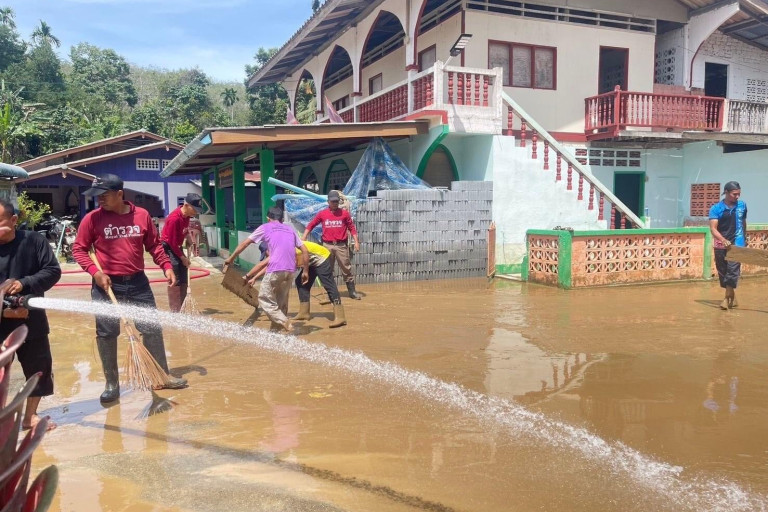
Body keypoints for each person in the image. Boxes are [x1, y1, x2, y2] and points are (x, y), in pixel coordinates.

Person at [72, 174, 187, 403]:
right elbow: (79, 249)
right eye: (96, 196)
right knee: (107, 333)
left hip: (137, 283)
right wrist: (96, 273)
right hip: (106, 285)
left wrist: (166, 266)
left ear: (119, 194)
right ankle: (111, 384)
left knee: (151, 328)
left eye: (104, 195)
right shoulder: (92, 219)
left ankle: (161, 376)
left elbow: (154, 245)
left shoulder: (141, 215)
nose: (99, 200)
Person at [0, 198, 61, 430]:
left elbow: (52, 271)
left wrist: (24, 283)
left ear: (14, 220)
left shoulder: (34, 241)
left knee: (38, 369)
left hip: (31, 320)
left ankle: (30, 416)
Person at [224, 207, 309, 332]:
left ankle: (284, 321)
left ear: (268, 218)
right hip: (291, 271)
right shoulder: (290, 230)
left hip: (275, 270)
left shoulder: (265, 227)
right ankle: (276, 333)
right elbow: (305, 250)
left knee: (264, 298)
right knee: (281, 303)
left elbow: (245, 243)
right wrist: (305, 271)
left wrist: (231, 258)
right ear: (281, 219)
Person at [245, 240, 346, 328]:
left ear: (270, 249)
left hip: (321, 257)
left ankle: (340, 316)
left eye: (266, 253)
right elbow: (269, 266)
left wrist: (248, 276)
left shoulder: (283, 250)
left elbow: (265, 265)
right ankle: (304, 312)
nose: (267, 256)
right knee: (300, 283)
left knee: (328, 284)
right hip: (311, 260)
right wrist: (254, 278)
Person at [302, 190, 362, 300]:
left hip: (341, 245)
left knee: (346, 268)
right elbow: (311, 224)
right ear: (328, 202)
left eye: (336, 201)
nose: (335, 203)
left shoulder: (344, 214)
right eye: (333, 201)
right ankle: (331, 294)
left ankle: (352, 292)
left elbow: (352, 228)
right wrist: (304, 236)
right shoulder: (323, 214)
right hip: (327, 246)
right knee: (327, 269)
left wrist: (356, 242)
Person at [161, 193, 203, 312]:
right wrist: (182, 257)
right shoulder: (174, 219)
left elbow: (185, 230)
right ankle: (175, 310)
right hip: (168, 247)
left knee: (184, 271)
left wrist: (189, 237)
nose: (196, 212)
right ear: (186, 205)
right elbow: (172, 242)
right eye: (194, 209)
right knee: (175, 275)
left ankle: (182, 305)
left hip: (176, 246)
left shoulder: (187, 216)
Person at [709, 180, 748, 310]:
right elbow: (713, 229)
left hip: (737, 244)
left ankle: (726, 299)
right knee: (723, 272)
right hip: (721, 244)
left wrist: (745, 238)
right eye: (734, 194)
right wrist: (723, 239)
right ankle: (732, 296)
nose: (737, 196)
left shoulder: (742, 205)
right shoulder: (716, 209)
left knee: (732, 271)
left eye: (739, 194)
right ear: (726, 192)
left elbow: (743, 222)